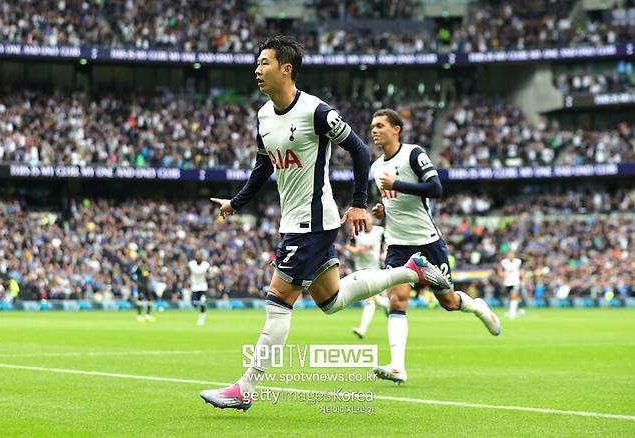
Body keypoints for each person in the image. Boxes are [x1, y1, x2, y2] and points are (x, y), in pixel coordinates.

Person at [201, 35, 451, 411]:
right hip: (293, 221)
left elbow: (360, 150)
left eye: (264, 62)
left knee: (278, 299)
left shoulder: (317, 112)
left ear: (286, 69)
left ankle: (246, 388)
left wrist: (359, 204)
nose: (257, 69)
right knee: (330, 300)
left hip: (313, 222)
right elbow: (263, 166)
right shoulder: (264, 116)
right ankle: (410, 270)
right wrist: (235, 203)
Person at [368, 109, 501, 384]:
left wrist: (399, 184)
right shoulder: (375, 167)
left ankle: (477, 307)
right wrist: (381, 210)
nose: (374, 130)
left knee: (449, 302)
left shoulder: (413, 154)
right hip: (397, 243)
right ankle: (397, 366)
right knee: (396, 298)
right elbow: (388, 201)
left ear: (397, 129)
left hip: (427, 241)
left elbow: (435, 188)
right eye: (372, 126)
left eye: (380, 125)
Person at [345, 213, 390, 339]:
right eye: (365, 220)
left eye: (369, 219)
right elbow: (347, 246)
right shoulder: (355, 231)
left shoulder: (379, 231)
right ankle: (387, 304)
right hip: (360, 269)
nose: (367, 222)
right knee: (374, 299)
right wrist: (355, 251)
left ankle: (362, 329)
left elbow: (387, 243)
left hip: (375, 268)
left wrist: (385, 254)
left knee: (370, 300)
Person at [188, 251, 211, 326]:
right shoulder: (191, 264)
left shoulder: (206, 265)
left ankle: (201, 318)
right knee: (194, 303)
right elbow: (191, 272)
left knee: (203, 301)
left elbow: (208, 274)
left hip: (202, 286)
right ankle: (201, 308)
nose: (198, 258)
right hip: (194, 286)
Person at [499, 251, 523, 320]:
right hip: (507, 282)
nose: (510, 256)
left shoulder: (518, 261)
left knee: (514, 296)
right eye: (509, 254)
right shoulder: (504, 262)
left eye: (512, 254)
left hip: (515, 282)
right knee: (510, 297)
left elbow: (521, 270)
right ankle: (516, 310)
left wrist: (522, 278)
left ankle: (512, 313)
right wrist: (502, 275)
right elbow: (500, 270)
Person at [131, 253, 154, 322]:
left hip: (145, 285)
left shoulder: (146, 267)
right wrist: (137, 282)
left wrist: (137, 281)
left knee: (147, 299)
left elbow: (148, 276)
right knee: (142, 299)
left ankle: (146, 315)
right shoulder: (140, 267)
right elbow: (134, 275)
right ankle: (141, 315)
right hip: (142, 286)